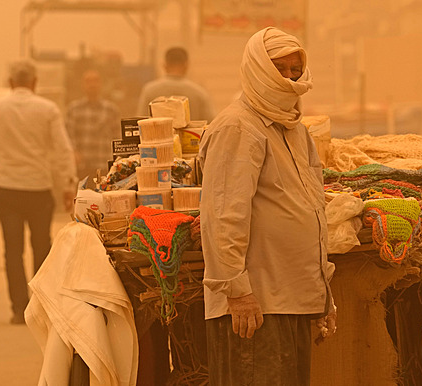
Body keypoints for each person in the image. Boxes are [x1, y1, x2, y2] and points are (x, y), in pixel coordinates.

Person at [198, 27, 337, 385]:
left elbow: (314, 209)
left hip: (291, 299)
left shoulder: (295, 129)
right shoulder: (238, 127)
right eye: (280, 69)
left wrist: (322, 295)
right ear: (258, 70)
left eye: (295, 70)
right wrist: (238, 292)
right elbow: (223, 216)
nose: (290, 79)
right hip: (256, 304)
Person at [0, 59, 77, 325]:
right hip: (38, 187)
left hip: (6, 187)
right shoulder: (48, 109)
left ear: (9, 83)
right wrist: (68, 184)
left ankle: (19, 308)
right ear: (34, 83)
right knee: (42, 246)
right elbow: (63, 151)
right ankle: (42, 306)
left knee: (13, 249)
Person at [65, 69, 120, 180]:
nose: (92, 85)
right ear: (82, 85)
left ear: (101, 84)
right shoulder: (74, 110)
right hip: (82, 169)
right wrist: (74, 153)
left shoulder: (111, 110)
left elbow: (117, 139)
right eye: (88, 81)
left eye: (95, 81)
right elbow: (68, 138)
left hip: (105, 168)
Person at [136, 47, 215, 122]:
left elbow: (140, 121)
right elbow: (210, 123)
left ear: (165, 65)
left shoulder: (149, 90)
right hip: (193, 136)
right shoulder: (199, 93)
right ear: (186, 66)